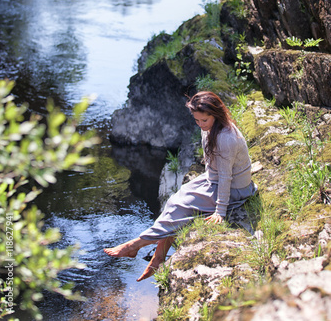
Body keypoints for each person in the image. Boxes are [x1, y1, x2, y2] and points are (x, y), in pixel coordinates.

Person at [104, 91, 257, 281]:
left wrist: (220, 211)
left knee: (180, 207)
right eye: (197, 120)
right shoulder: (211, 127)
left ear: (216, 114)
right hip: (213, 179)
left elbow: (226, 177)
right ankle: (158, 258)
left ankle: (134, 246)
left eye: (204, 120)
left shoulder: (226, 138)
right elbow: (215, 168)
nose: (201, 124)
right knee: (174, 201)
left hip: (234, 189)